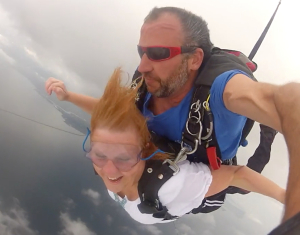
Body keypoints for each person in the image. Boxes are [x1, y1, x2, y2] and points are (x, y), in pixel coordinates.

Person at [83, 67, 285, 224]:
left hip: (197, 191)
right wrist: (67, 96)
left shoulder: (172, 186)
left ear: (143, 150)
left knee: (240, 187)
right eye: (99, 155)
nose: (108, 169)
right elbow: (107, 121)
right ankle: (265, 129)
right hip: (174, 175)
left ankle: (268, 133)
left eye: (123, 158)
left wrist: (285, 196)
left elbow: (237, 174)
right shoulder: (116, 172)